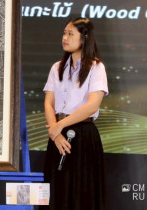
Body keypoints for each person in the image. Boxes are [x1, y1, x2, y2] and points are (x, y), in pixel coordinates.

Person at [43, 17, 108, 209]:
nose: (65, 38)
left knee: (82, 190)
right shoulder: (57, 67)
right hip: (57, 136)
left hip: (83, 135)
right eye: (64, 33)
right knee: (57, 190)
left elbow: (93, 105)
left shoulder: (96, 67)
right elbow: (49, 102)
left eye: (70, 34)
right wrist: (55, 134)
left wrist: (59, 126)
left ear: (84, 37)